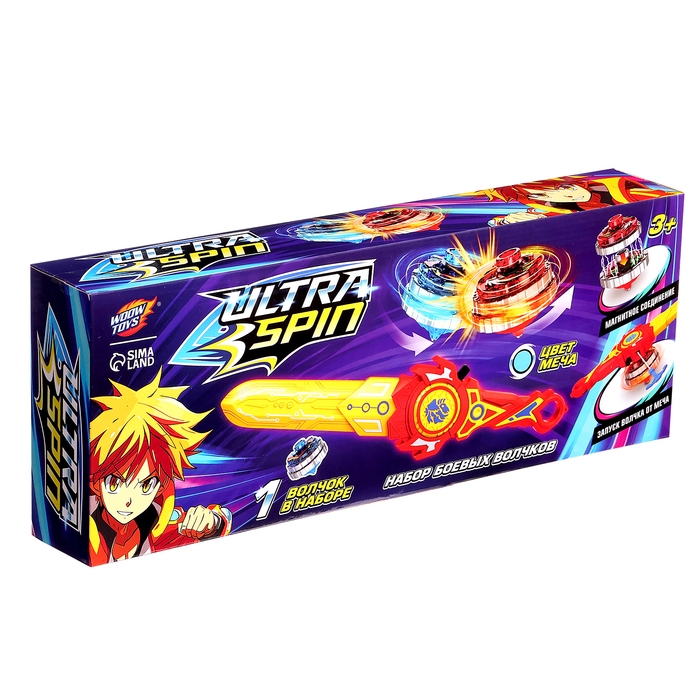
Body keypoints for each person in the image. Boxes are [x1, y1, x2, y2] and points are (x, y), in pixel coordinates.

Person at [88, 369, 232, 564]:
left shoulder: (157, 524)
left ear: (160, 486)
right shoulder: (83, 524)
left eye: (146, 486)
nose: (128, 501)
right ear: (97, 481)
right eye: (115, 483)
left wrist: (210, 522)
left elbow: (219, 521)